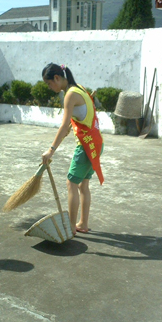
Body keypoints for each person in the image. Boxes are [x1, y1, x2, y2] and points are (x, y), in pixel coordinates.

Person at [41, 63, 104, 236]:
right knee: (83, 186)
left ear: (57, 78)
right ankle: (82, 224)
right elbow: (80, 116)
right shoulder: (79, 88)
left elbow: (63, 126)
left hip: (85, 146)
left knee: (71, 183)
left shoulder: (70, 95)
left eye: (49, 83)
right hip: (96, 143)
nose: (49, 87)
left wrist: (51, 150)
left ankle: (70, 227)